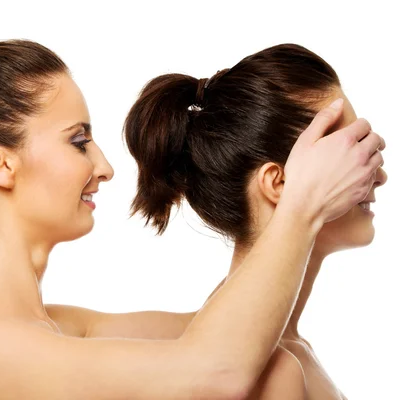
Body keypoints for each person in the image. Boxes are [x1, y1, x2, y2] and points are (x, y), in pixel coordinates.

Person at [0, 40, 384, 399]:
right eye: (78, 141)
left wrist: (301, 206)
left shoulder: (63, 327)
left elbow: (261, 335)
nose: (102, 167)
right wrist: (300, 204)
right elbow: (214, 372)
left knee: (284, 363)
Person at [124, 43, 388, 399]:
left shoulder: (286, 350)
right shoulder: (272, 370)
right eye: (351, 149)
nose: (377, 174)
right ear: (278, 183)